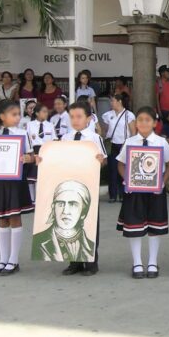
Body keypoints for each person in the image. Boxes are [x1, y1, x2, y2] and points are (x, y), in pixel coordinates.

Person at [116, 106, 169, 279]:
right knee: (134, 226)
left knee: (154, 227)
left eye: (147, 120)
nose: (143, 123)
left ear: (155, 123)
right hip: (134, 191)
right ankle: (137, 263)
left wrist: (162, 182)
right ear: (136, 123)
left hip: (155, 192)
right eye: (140, 120)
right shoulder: (130, 142)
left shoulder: (161, 142)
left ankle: (152, 262)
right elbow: (120, 163)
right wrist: (127, 178)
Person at [58, 102, 107, 276]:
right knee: (70, 221)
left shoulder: (94, 138)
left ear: (88, 118)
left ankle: (91, 261)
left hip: (88, 185)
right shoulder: (65, 138)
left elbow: (103, 161)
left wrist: (101, 161)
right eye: (72, 117)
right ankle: (74, 261)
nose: (75, 120)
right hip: (69, 185)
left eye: (79, 116)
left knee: (89, 222)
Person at [0, 100, 35, 276]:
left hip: (15, 180)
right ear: (1, 116)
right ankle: (2, 259)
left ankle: (13, 260)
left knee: (14, 217)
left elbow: (31, 156)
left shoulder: (22, 133)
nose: (17, 118)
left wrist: (26, 159)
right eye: (13, 114)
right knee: (2, 218)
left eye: (18, 114)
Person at [31, 181, 96, 262]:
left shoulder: (91, 246)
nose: (65, 211)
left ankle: (89, 266)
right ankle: (73, 265)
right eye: (60, 204)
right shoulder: (39, 241)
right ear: (53, 208)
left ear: (83, 212)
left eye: (73, 204)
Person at [102, 93, 136, 203]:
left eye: (113, 101)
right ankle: (112, 195)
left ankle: (123, 194)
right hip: (113, 144)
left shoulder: (128, 115)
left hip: (124, 144)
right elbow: (106, 130)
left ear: (120, 101)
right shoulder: (108, 115)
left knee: (123, 170)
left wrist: (132, 145)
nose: (111, 103)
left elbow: (133, 131)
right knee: (112, 169)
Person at [26, 103, 57, 202]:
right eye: (44, 111)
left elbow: (54, 139)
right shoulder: (30, 125)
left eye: (47, 111)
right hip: (33, 151)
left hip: (47, 151)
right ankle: (32, 199)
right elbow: (27, 140)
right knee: (32, 176)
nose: (46, 113)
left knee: (43, 177)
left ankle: (42, 199)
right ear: (37, 113)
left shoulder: (50, 125)